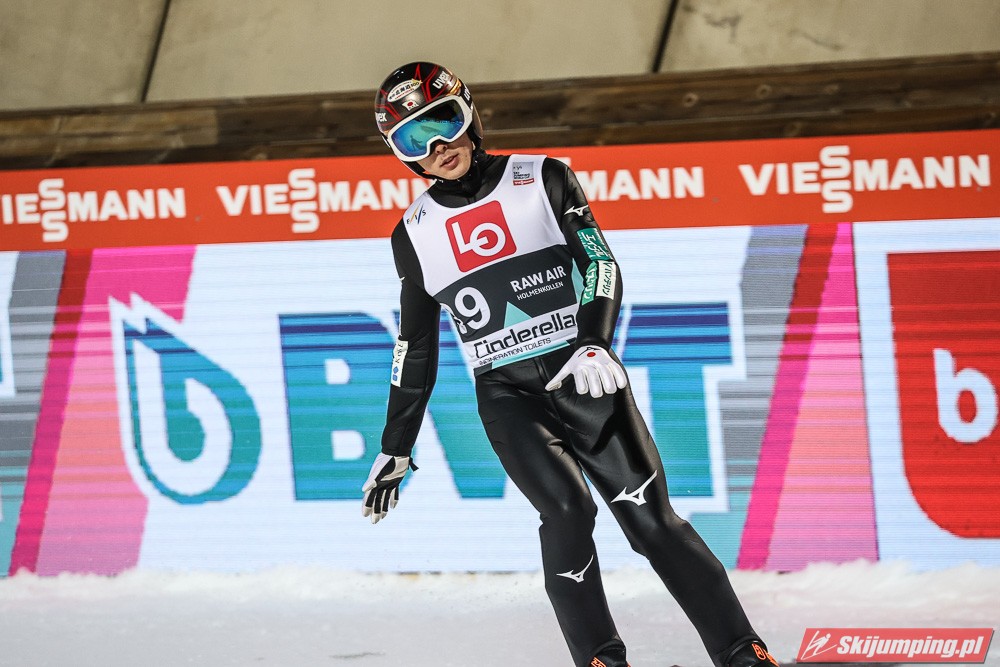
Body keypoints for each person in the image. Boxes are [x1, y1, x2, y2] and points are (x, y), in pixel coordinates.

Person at [362, 61, 779, 667]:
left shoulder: (543, 176)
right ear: (400, 154)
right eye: (414, 139)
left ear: (470, 114)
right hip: (507, 397)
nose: (438, 147)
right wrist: (396, 445)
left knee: (650, 521)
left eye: (444, 122)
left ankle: (743, 652)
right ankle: (601, 660)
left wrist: (595, 342)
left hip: (583, 374)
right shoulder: (412, 233)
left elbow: (599, 262)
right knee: (566, 513)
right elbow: (415, 346)